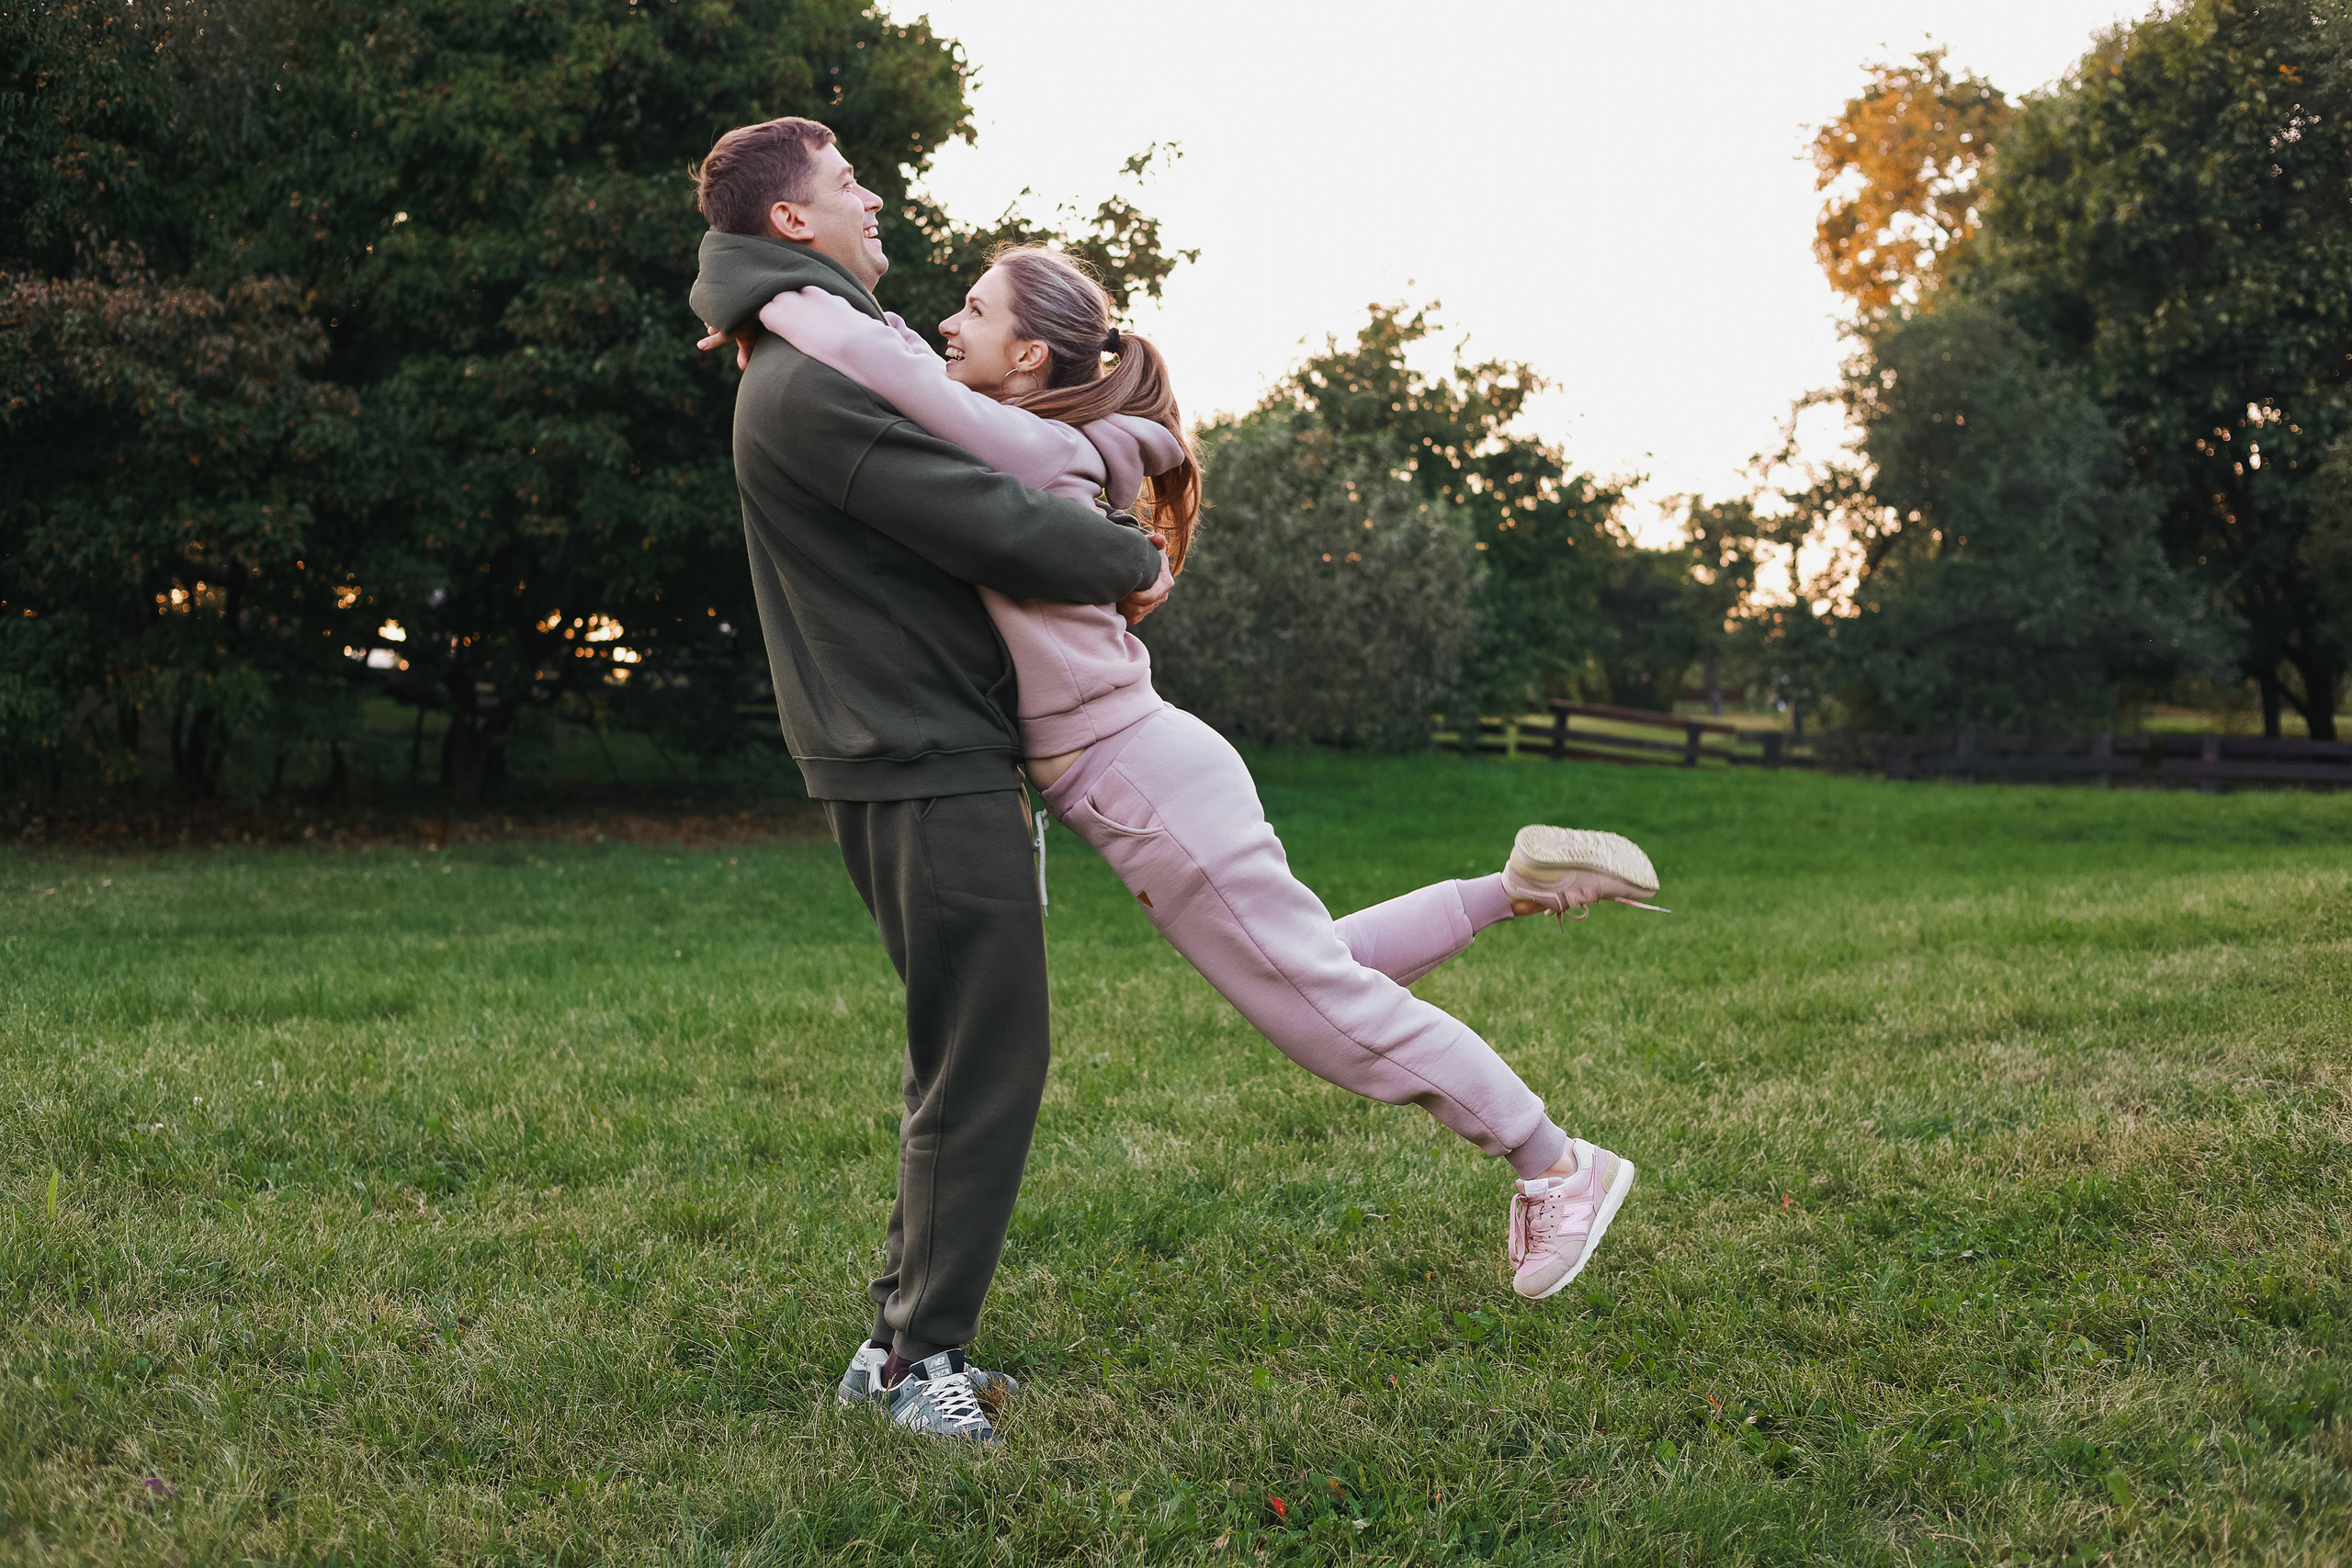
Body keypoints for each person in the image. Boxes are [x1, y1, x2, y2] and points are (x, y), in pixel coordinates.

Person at [733, 245, 1659, 1399]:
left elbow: (897, 375)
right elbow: (920, 382)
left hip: (1136, 771)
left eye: (974, 312)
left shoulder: (1044, 447)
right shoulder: (1058, 443)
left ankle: (1554, 1162)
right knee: (1319, 964)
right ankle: (1507, 888)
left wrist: (767, 290)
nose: (944, 325)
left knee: (1325, 1011)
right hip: (1149, 762)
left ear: (1030, 357)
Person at [685, 119, 1172, 1448]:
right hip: (914, 750)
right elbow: (988, 516)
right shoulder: (814, 377)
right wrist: (1125, 555)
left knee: (962, 1045)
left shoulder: (823, 353)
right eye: (847, 186)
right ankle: (914, 1365)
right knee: (986, 1053)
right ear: (792, 224)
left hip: (918, 743)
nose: (873, 196)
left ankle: (896, 1342)